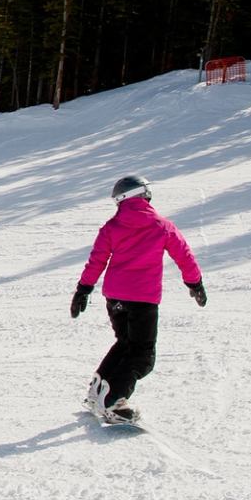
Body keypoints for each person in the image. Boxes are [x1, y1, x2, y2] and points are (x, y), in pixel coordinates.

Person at [70, 174, 207, 422]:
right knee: (142, 356)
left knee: (125, 344)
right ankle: (114, 402)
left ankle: (97, 391)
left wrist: (83, 289)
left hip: (115, 298)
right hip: (143, 300)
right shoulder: (162, 226)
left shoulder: (112, 227)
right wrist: (194, 283)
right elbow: (184, 256)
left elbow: (97, 260)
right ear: (145, 195)